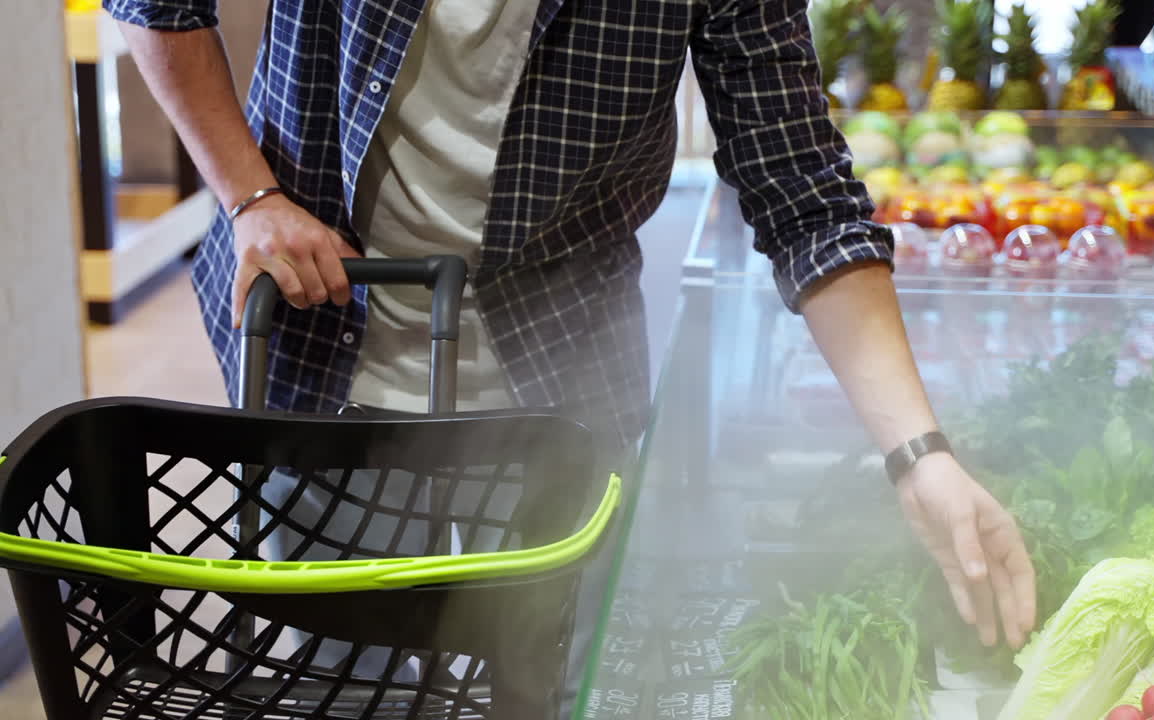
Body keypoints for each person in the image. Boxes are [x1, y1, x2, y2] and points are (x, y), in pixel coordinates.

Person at [109, 0, 1037, 712]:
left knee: (552, 686)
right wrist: (250, 195)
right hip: (322, 350)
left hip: (562, 379)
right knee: (333, 686)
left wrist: (920, 455)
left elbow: (803, 191)